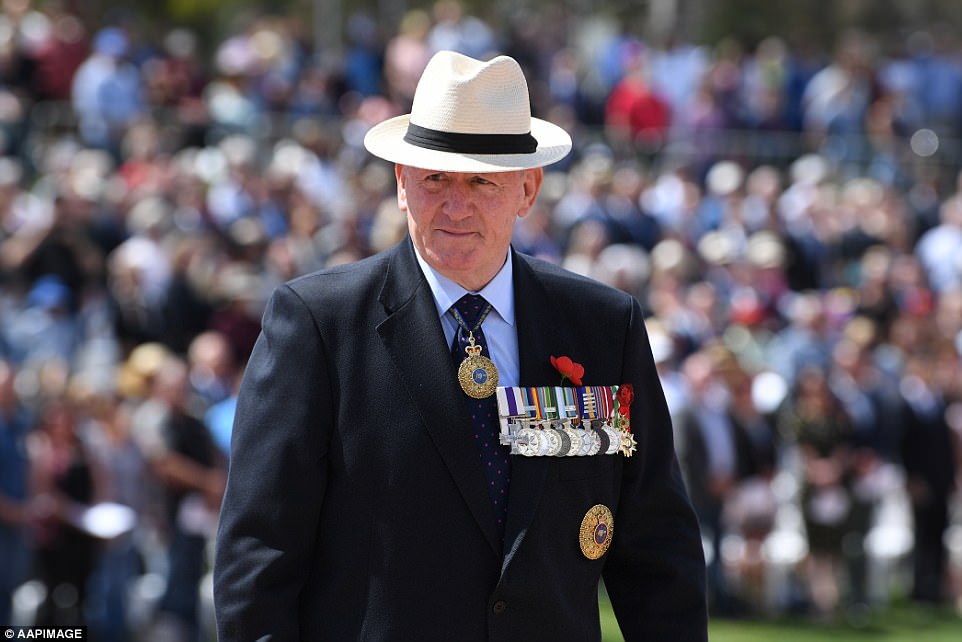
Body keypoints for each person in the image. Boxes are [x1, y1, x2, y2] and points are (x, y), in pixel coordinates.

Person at [214, 50, 707, 641]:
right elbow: (258, 553)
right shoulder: (319, 324)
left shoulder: (603, 326)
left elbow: (656, 548)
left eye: (481, 181)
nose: (455, 205)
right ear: (401, 185)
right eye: (435, 179)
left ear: (529, 189)